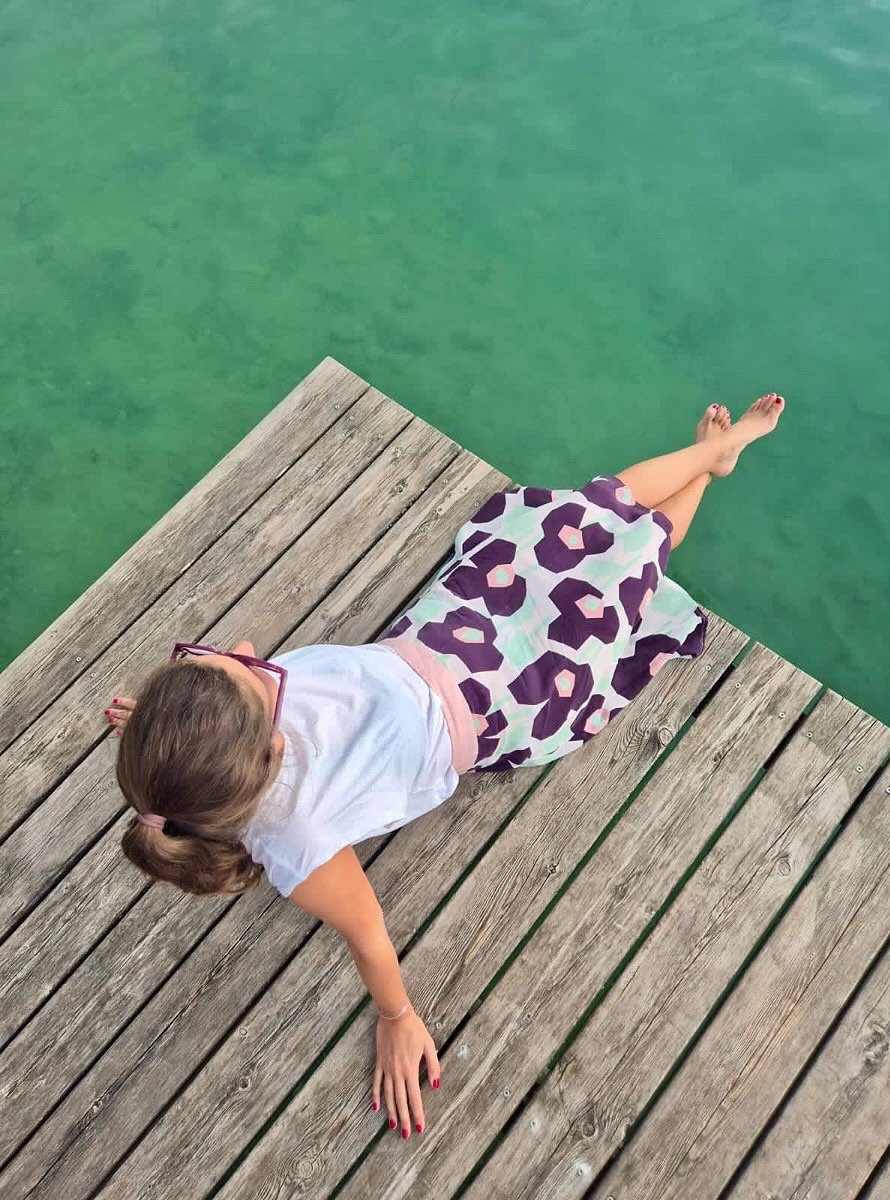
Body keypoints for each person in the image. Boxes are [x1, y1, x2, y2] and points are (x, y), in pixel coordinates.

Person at [107, 393, 784, 1144]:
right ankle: (712, 465)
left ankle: (710, 457)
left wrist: (166, 728)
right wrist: (397, 1016)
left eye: (211, 660)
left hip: (448, 630)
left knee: (581, 517)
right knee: (616, 572)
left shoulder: (228, 738)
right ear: (271, 747)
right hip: (509, 694)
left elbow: (218, 693)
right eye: (248, 670)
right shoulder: (297, 843)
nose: (242, 651)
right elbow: (368, 933)